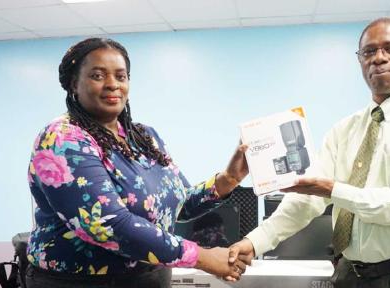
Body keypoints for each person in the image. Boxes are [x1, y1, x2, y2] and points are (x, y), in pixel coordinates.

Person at [229, 17, 390, 287]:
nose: (379, 58)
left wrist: (335, 190)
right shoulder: (345, 129)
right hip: (349, 274)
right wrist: (255, 241)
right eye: (369, 52)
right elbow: (306, 199)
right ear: (360, 60)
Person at [26, 37, 248, 288]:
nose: (112, 84)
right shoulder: (63, 138)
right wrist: (203, 256)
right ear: (73, 84)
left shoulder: (144, 137)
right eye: (98, 76)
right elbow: (108, 223)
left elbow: (178, 205)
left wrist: (229, 179)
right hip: (80, 281)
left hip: (148, 276)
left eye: (120, 76)